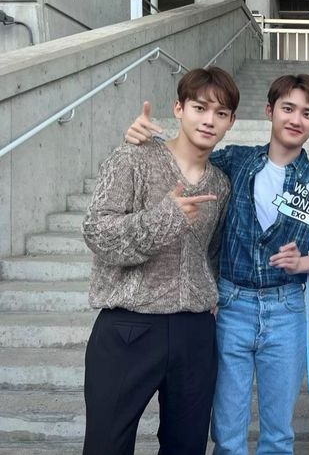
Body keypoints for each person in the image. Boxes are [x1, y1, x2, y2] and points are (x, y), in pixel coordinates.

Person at [124, 74, 309, 455]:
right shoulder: (236, 161)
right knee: (227, 432)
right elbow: (188, 157)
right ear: (269, 111)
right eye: (288, 108)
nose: (296, 119)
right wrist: (144, 140)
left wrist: (304, 262)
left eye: (307, 113)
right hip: (232, 306)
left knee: (278, 434)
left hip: (285, 309)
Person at [82, 67, 237, 454]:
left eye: (221, 113)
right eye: (200, 107)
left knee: (186, 446)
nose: (209, 120)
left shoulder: (220, 183)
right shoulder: (133, 158)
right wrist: (166, 216)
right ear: (178, 108)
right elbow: (97, 232)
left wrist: (210, 298)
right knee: (106, 445)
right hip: (129, 328)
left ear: (231, 122)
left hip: (194, 332)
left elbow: (212, 252)